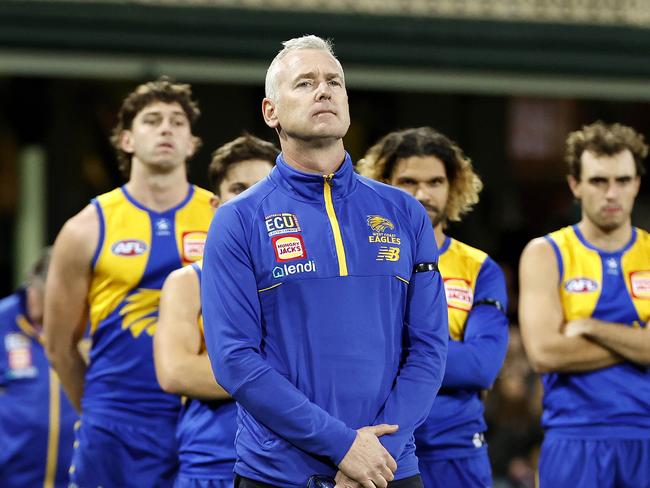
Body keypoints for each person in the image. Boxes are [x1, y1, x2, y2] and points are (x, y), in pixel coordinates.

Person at [200, 35, 448, 488]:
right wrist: (343, 447)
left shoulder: (405, 212)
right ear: (270, 111)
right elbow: (235, 359)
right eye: (305, 82)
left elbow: (429, 348)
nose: (324, 90)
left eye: (334, 81)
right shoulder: (238, 220)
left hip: (389, 470)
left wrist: (375, 456)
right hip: (279, 475)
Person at [44, 78, 214, 487]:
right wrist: (101, 410)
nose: (166, 128)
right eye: (152, 120)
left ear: (193, 144)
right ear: (126, 139)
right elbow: (58, 346)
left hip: (203, 415)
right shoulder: (85, 227)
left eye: (177, 122)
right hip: (115, 421)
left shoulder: (224, 217)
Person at [358, 127, 509, 487]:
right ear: (382, 184)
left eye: (435, 182)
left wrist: (393, 354)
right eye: (408, 182)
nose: (422, 195)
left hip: (455, 449)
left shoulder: (480, 267)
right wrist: (437, 356)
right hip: (377, 449)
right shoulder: (361, 261)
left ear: (453, 186)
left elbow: (481, 366)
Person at [519, 121, 650, 488]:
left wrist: (591, 328)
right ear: (575, 185)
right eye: (598, 181)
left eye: (623, 180)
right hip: (573, 437)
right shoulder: (545, 253)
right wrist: (638, 343)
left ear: (637, 183)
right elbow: (546, 353)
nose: (612, 194)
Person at [154, 134, 279, 487]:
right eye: (239, 188)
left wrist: (232, 370)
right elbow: (176, 372)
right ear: (215, 203)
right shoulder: (186, 283)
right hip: (212, 460)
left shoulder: (307, 280)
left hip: (289, 460)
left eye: (263, 187)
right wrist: (285, 375)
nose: (252, 199)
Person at [0, 249, 78, 487]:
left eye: (44, 296)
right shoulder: (3, 320)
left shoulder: (86, 324)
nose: (33, 300)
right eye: (33, 289)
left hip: (75, 476)